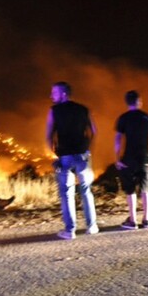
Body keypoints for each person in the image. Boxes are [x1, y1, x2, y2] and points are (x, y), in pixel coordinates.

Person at [46, 81, 98, 240]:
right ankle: (92, 226)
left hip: (65, 157)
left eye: (54, 92)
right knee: (86, 190)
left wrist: (55, 154)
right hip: (82, 156)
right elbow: (94, 131)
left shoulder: (54, 111)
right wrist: (88, 149)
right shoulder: (83, 109)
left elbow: (48, 135)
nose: (51, 95)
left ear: (63, 94)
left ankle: (70, 231)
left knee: (67, 193)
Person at [115, 90, 148, 230]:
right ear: (139, 101)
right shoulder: (147, 117)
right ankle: (147, 220)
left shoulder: (123, 118)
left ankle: (132, 221)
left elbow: (118, 140)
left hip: (128, 159)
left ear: (126, 102)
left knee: (130, 190)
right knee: (146, 189)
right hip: (145, 158)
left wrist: (117, 159)